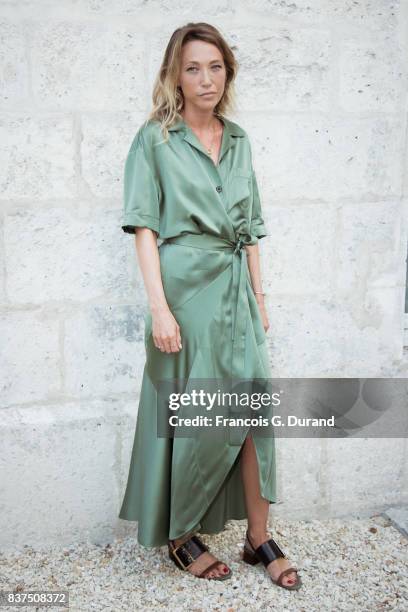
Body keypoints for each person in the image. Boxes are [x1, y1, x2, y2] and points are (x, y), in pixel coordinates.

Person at [118, 22, 302, 590]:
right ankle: (179, 533)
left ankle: (258, 536)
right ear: (176, 73)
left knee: (253, 411)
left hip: (236, 289)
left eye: (216, 67)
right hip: (185, 289)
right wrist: (159, 308)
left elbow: (248, 230)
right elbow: (144, 228)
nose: (206, 79)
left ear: (229, 72)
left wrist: (259, 297)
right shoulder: (156, 139)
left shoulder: (240, 139)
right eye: (194, 67)